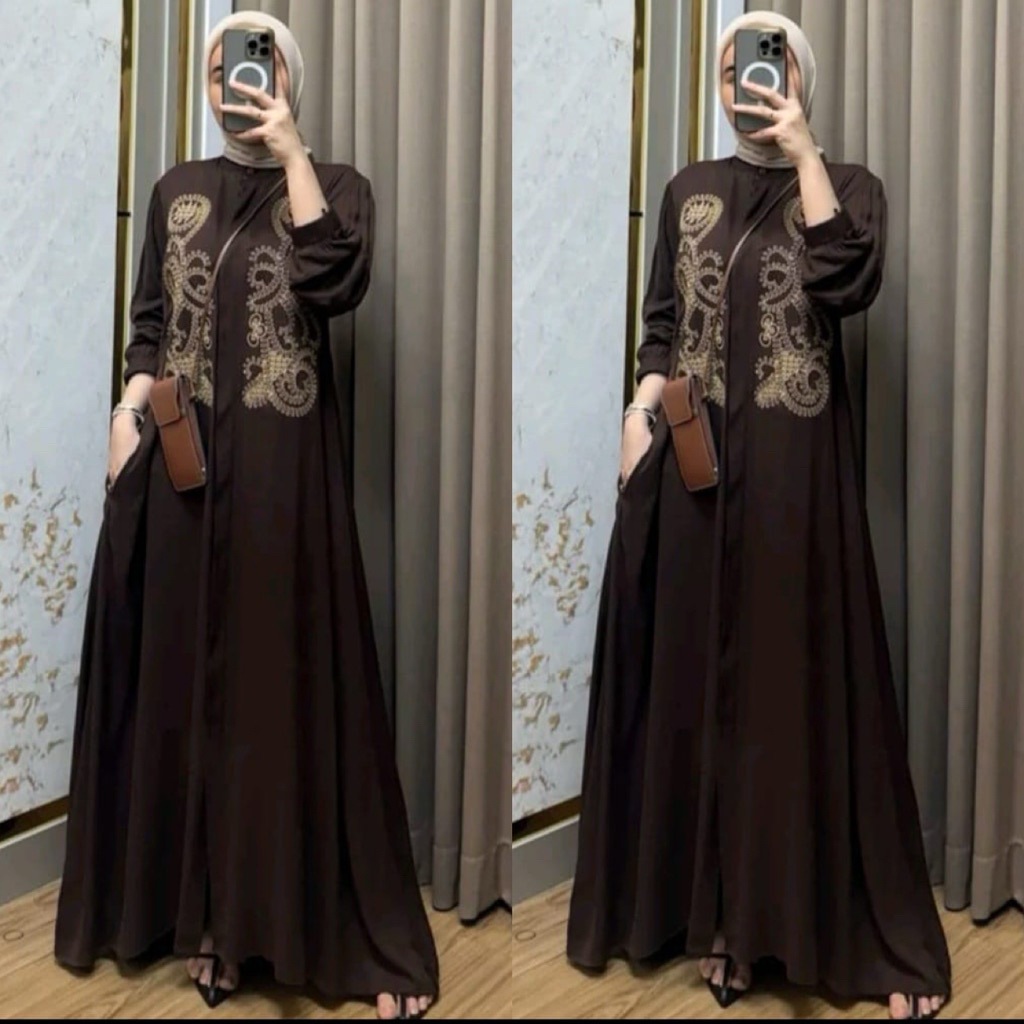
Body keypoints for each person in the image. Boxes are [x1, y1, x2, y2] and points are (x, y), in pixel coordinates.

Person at [566, 11, 951, 1021]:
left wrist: (803, 152)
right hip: (690, 474)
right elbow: (662, 322)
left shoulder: (848, 184)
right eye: (734, 65)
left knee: (785, 694)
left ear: (798, 77)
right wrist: (638, 411)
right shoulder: (687, 189)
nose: (749, 78)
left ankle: (807, 923)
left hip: (793, 482)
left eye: (769, 64)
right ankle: (718, 924)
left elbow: (845, 281)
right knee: (699, 688)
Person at [53, 12, 437, 1020]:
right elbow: (150, 323)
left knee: (272, 697)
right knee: (186, 689)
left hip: (282, 484)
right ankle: (202, 924)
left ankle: (285, 924)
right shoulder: (175, 189)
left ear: (286, 76)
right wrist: (127, 412)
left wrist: (292, 152)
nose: (235, 78)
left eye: (256, 63)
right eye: (220, 64)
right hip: (177, 475)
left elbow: (333, 282)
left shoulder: (337, 184)